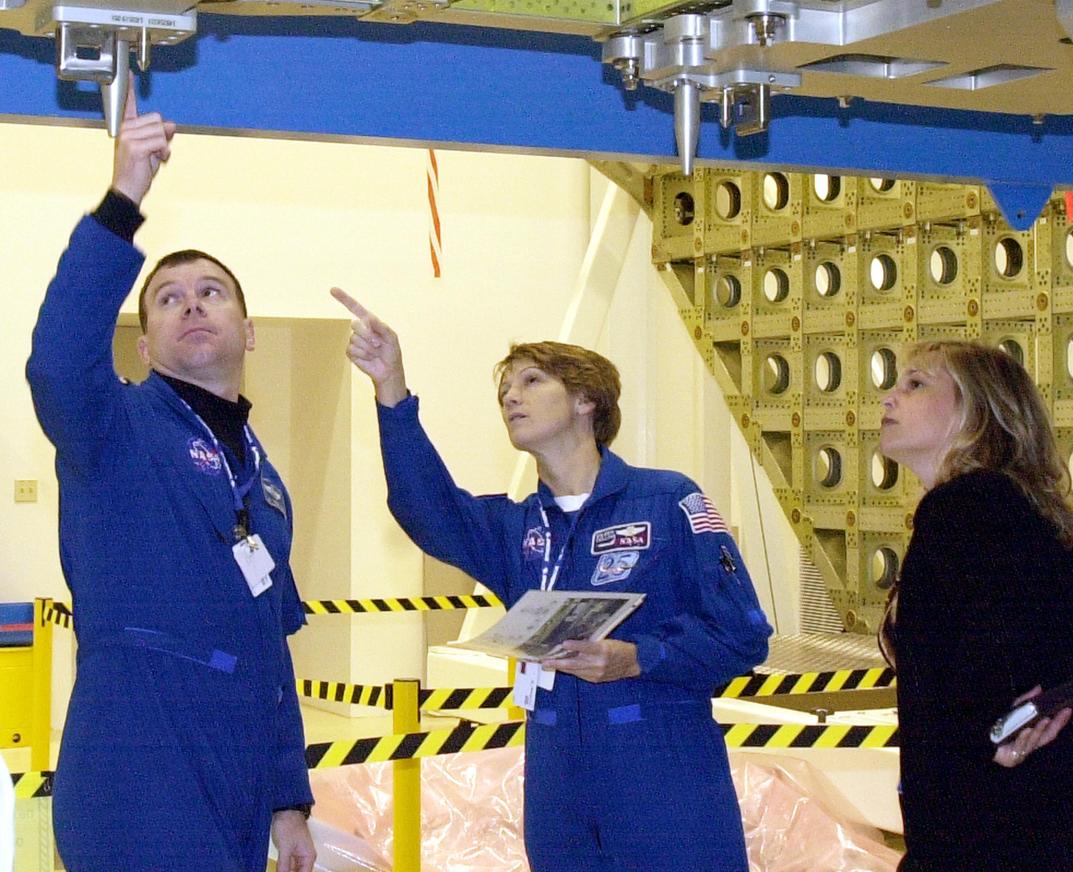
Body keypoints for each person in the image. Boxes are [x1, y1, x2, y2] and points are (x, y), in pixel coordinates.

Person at [332, 288, 773, 872]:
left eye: (532, 381)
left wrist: (639, 657)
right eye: (505, 390)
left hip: (662, 770)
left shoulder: (668, 500)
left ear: (587, 399)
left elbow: (744, 635)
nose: (512, 396)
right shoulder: (515, 528)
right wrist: (390, 388)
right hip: (556, 778)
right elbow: (425, 507)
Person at [26, 80, 316, 872]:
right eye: (169, 299)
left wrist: (289, 799)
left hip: (236, 772)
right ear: (145, 346)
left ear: (248, 331)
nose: (193, 306)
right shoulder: (112, 430)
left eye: (212, 293)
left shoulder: (264, 482)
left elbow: (269, 652)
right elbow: (55, 361)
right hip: (136, 757)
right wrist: (123, 198)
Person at [877, 340, 1073, 871]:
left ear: (977, 411)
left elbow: (973, 669)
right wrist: (1043, 723)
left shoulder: (968, 507)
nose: (889, 399)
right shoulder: (1005, 506)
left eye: (916, 384)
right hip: (1034, 823)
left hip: (998, 831)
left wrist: (1010, 736)